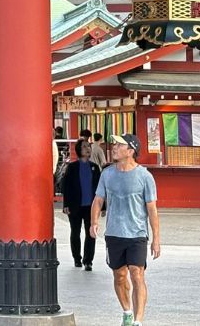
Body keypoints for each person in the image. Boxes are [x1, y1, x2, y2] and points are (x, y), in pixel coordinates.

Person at [90, 134, 161, 326]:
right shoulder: (107, 174)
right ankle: (127, 312)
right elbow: (98, 200)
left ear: (130, 151)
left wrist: (156, 239)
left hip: (137, 234)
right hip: (114, 233)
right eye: (114, 144)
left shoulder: (145, 176)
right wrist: (94, 222)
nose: (113, 147)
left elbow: (152, 209)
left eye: (119, 145)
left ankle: (138, 320)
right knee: (119, 276)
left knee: (137, 274)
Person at [62, 138, 101, 270]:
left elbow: (100, 189)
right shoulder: (72, 167)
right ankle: (77, 258)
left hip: (91, 206)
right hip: (75, 205)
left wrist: (102, 206)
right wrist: (66, 205)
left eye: (88, 146)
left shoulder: (95, 167)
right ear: (79, 150)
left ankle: (88, 261)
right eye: (84, 146)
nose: (87, 148)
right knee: (75, 232)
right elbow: (66, 187)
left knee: (91, 233)